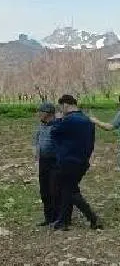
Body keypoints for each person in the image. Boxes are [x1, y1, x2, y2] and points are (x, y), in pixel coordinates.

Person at [49, 95, 102, 230]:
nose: (61, 110)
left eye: (61, 107)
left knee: (71, 191)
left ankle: (93, 218)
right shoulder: (87, 120)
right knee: (68, 190)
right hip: (82, 161)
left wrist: (58, 119)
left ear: (65, 105)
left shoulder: (68, 120)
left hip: (68, 160)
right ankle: (63, 221)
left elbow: (54, 132)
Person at [33, 102, 58, 226]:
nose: (38, 114)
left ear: (48, 113)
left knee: (54, 189)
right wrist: (37, 156)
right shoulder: (40, 126)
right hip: (43, 161)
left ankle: (57, 218)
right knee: (44, 190)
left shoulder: (57, 126)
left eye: (40, 112)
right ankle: (48, 217)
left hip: (55, 161)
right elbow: (36, 141)